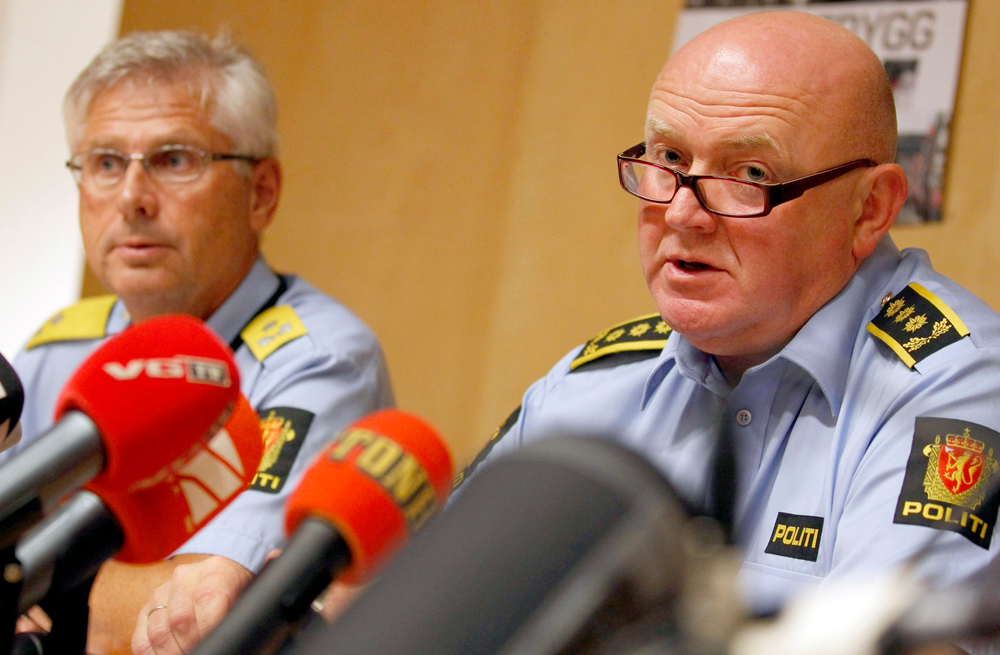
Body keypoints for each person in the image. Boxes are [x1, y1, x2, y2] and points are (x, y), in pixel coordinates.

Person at [460, 8, 1000, 632]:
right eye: (668, 157)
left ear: (868, 210)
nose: (682, 214)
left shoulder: (956, 390)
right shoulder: (590, 386)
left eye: (749, 175)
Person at [7, 30, 394, 654]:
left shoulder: (319, 358)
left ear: (261, 193)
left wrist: (28, 584)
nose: (131, 198)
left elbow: (188, 619)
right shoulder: (58, 348)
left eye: (173, 160)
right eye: (105, 163)